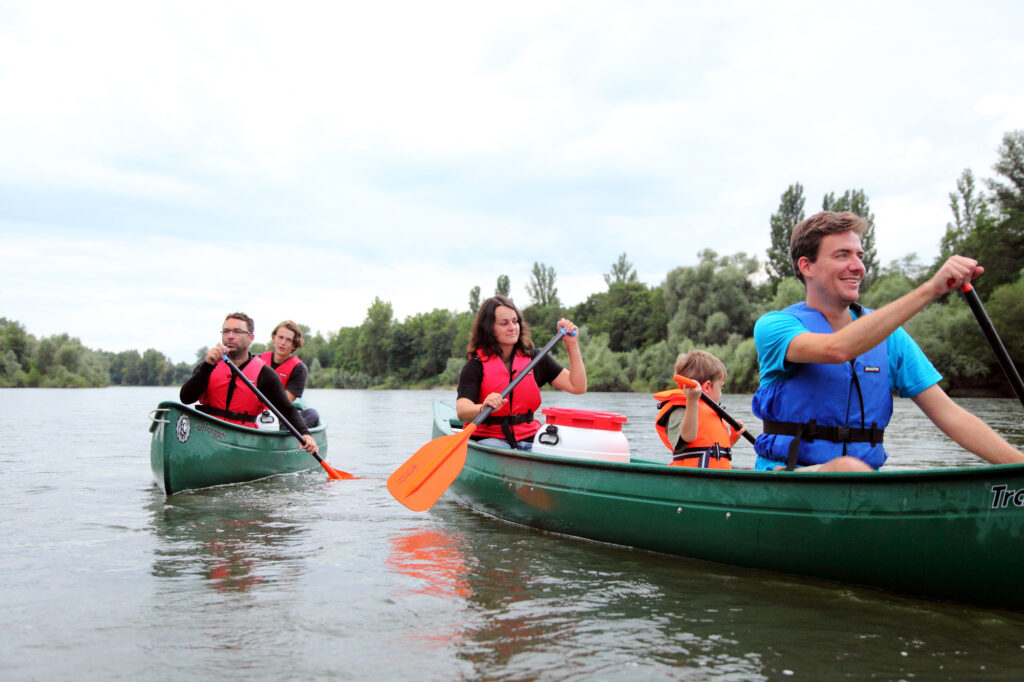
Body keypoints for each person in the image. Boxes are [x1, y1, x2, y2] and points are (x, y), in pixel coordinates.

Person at [752, 210, 1024, 472]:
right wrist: (932, 289)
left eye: (860, 255)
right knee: (848, 469)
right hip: (787, 474)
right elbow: (837, 349)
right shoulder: (775, 327)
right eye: (842, 255)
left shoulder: (890, 338)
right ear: (806, 265)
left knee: (852, 471)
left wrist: (1018, 464)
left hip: (865, 485)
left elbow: (951, 416)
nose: (857, 266)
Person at [456, 295, 587, 450]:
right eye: (504, 323)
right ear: (489, 328)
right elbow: (462, 411)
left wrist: (572, 344)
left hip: (530, 436)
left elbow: (577, 386)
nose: (512, 327)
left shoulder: (536, 359)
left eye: (515, 321)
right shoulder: (475, 366)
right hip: (489, 438)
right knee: (498, 449)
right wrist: (482, 408)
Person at [180, 312, 319, 455]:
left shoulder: (265, 374)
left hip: (243, 439)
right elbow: (185, 398)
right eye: (226, 331)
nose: (230, 336)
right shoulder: (207, 366)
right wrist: (207, 366)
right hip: (207, 433)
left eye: (237, 331)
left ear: (251, 338)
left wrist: (305, 434)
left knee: (311, 414)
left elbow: (286, 409)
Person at [654, 350, 745, 469]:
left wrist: (732, 438)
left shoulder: (711, 412)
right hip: (692, 480)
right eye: (721, 387)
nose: (721, 393)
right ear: (707, 387)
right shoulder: (680, 408)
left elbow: (714, 453)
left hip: (715, 479)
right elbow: (688, 437)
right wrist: (692, 401)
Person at [259, 320, 319, 429]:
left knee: (312, 414)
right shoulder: (257, 360)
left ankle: (297, 435)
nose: (283, 342)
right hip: (254, 411)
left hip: (280, 416)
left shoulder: (299, 369)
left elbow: (285, 403)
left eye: (288, 340)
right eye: (280, 337)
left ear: (294, 345)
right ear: (274, 338)